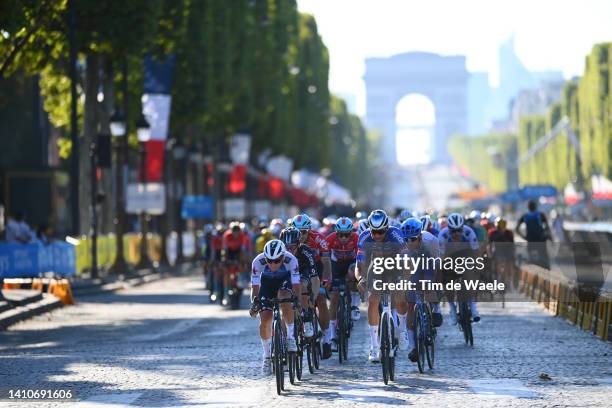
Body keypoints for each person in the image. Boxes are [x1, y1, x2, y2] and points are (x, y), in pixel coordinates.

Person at [355, 209, 406, 362]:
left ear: (387, 229)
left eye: (381, 232)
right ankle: (374, 346)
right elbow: (360, 265)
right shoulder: (364, 237)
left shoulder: (395, 235)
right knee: (373, 300)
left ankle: (402, 330)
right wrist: (360, 280)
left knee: (400, 296)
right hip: (374, 266)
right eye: (374, 232)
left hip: (395, 264)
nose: (377, 236)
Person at [249, 239, 301, 375]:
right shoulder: (257, 262)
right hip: (266, 285)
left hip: (285, 282)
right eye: (269, 260)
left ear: (283, 257)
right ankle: (267, 356)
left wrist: (297, 300)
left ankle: (290, 337)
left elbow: (296, 285)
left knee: (284, 296)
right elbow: (255, 288)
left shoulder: (292, 260)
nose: (273, 264)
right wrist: (255, 303)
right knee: (265, 319)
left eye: (277, 261)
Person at [292, 213, 334, 359]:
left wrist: (327, 278)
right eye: (298, 232)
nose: (301, 235)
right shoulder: (288, 238)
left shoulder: (319, 239)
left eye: (304, 232)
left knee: (321, 300)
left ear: (309, 230)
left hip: (316, 267)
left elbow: (327, 262)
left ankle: (327, 339)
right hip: (297, 268)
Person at [400, 217, 441, 362]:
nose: (410, 243)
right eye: (407, 240)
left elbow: (437, 268)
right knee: (410, 304)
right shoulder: (403, 245)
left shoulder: (430, 240)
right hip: (413, 267)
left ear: (420, 236)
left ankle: (436, 310)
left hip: (430, 264)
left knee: (431, 285)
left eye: (413, 239)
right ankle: (413, 346)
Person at [438, 213, 481, 324]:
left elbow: (476, 253)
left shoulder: (469, 232)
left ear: (463, 228)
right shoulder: (443, 235)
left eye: (459, 230)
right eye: (453, 231)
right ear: (448, 229)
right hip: (448, 257)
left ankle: (472, 305)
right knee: (446, 281)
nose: (456, 233)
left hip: (466, 256)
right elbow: (441, 257)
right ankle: (452, 309)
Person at [326, 217, 360, 351]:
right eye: (341, 235)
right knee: (334, 298)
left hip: (351, 263)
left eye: (347, 234)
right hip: (335, 265)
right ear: (336, 233)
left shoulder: (356, 238)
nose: (344, 238)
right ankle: (333, 336)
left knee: (354, 273)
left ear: (351, 232)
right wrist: (327, 278)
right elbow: (325, 260)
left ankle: (354, 306)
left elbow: (360, 260)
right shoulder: (330, 239)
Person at [279, 227, 318, 338]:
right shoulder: (279, 252)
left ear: (298, 244)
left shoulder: (306, 251)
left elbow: (315, 277)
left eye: (292, 247)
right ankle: (285, 341)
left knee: (301, 285)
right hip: (286, 275)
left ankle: (306, 318)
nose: (289, 251)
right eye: (286, 247)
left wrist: (313, 298)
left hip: (302, 273)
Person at [515, 200, 551, 268]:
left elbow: (516, 229)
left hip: (530, 241)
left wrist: (524, 237)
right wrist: (548, 236)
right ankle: (547, 274)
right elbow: (547, 228)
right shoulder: (541, 215)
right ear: (536, 207)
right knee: (545, 260)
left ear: (528, 207)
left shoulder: (525, 216)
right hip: (541, 240)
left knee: (531, 260)